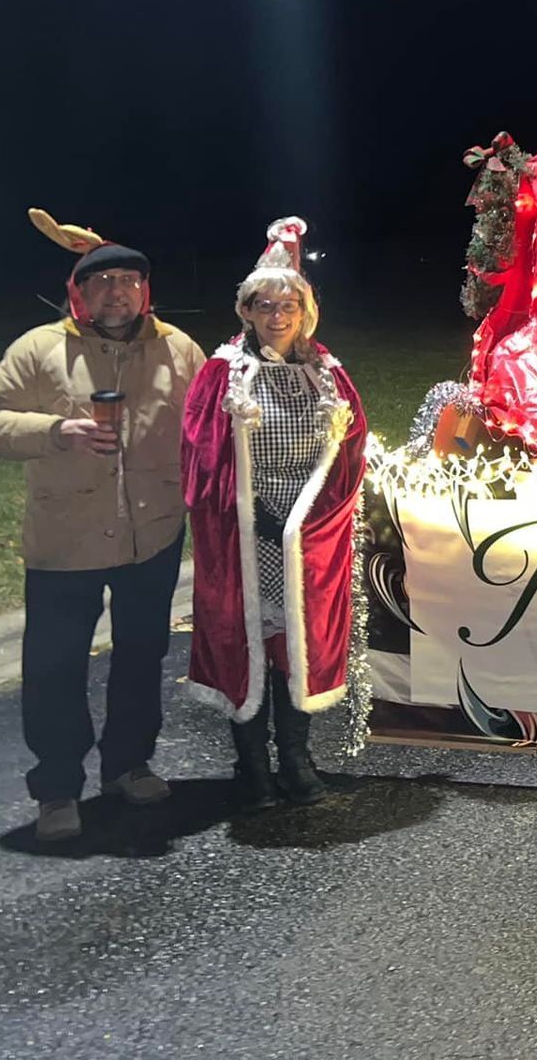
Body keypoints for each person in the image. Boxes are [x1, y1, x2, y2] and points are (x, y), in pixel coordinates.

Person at [0, 209, 205, 843]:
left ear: (144, 291)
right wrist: (54, 431)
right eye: (101, 282)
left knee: (140, 655)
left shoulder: (178, 349)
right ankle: (56, 786)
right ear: (78, 291)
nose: (115, 292)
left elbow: (209, 425)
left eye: (127, 281)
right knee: (55, 664)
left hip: (151, 533)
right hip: (64, 537)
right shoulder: (38, 349)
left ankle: (128, 763)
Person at [183, 219, 370, 805]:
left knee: (298, 643)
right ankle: (252, 766)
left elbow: (350, 451)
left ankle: (295, 759)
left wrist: (306, 518)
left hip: (305, 534)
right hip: (244, 530)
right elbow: (200, 450)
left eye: (288, 302)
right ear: (246, 310)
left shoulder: (328, 375)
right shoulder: (222, 373)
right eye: (265, 303)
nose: (277, 314)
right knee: (245, 640)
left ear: (305, 309)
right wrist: (247, 509)